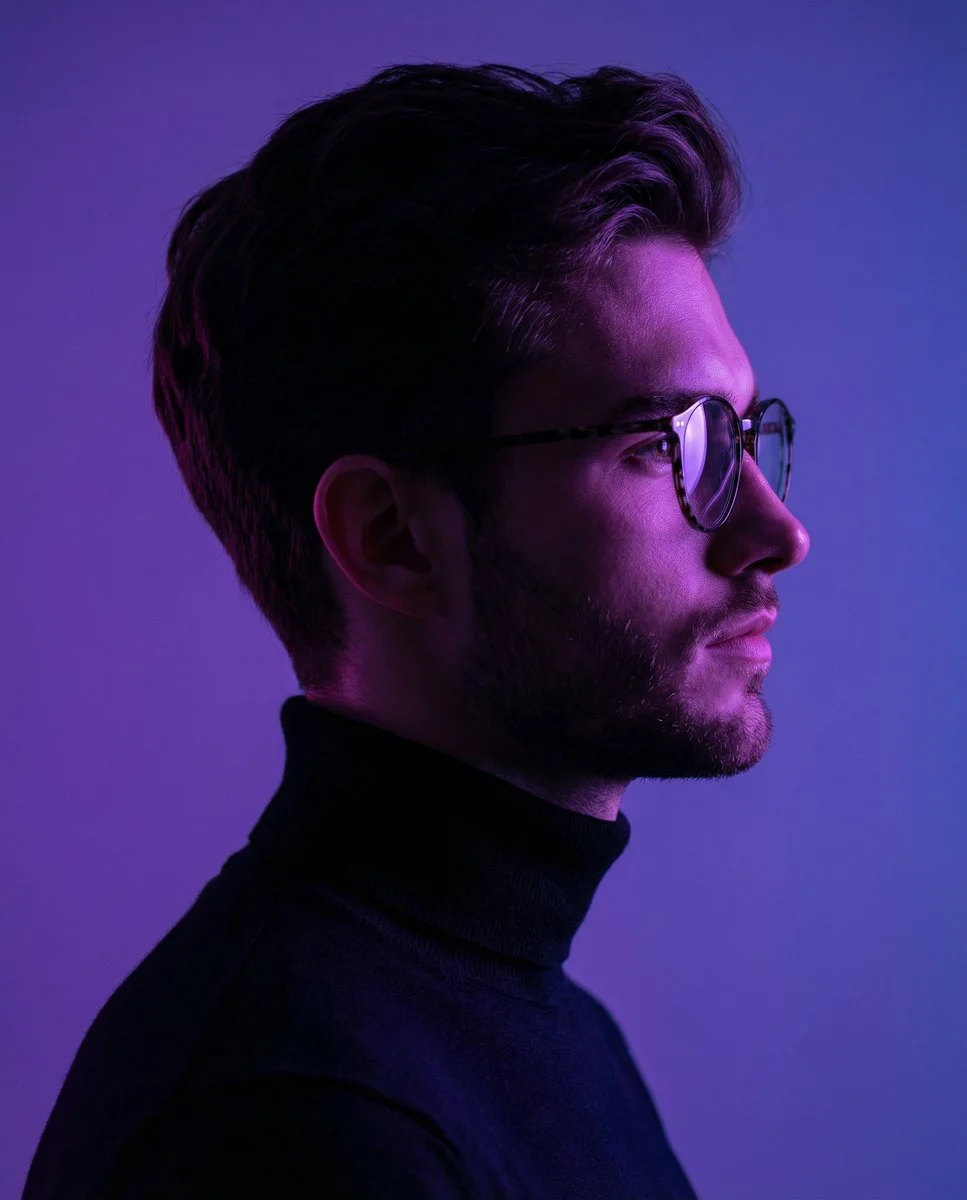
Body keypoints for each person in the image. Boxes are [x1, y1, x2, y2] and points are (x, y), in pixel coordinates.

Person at [23, 61, 810, 1199]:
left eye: (737, 436)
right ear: (389, 537)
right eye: (665, 445)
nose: (775, 531)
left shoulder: (541, 1030)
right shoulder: (294, 1127)